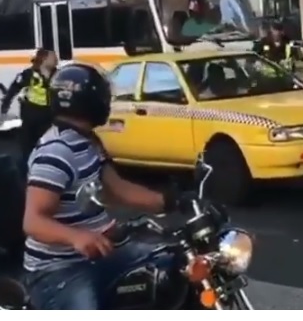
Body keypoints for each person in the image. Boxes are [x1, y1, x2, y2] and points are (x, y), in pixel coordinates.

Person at [23, 62, 194, 310]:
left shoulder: (88, 141)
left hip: (100, 255)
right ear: (89, 101)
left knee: (171, 268)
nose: (108, 101)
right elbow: (33, 220)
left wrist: (174, 200)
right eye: (103, 95)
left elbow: (118, 189)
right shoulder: (56, 152)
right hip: (59, 269)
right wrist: (77, 237)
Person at [0, 49, 58, 168]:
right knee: (28, 147)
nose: (56, 60)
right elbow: (14, 88)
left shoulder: (57, 74)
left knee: (48, 145)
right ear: (44, 59)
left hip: (48, 115)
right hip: (31, 114)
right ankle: (27, 170)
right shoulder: (29, 74)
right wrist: (5, 105)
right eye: (53, 58)